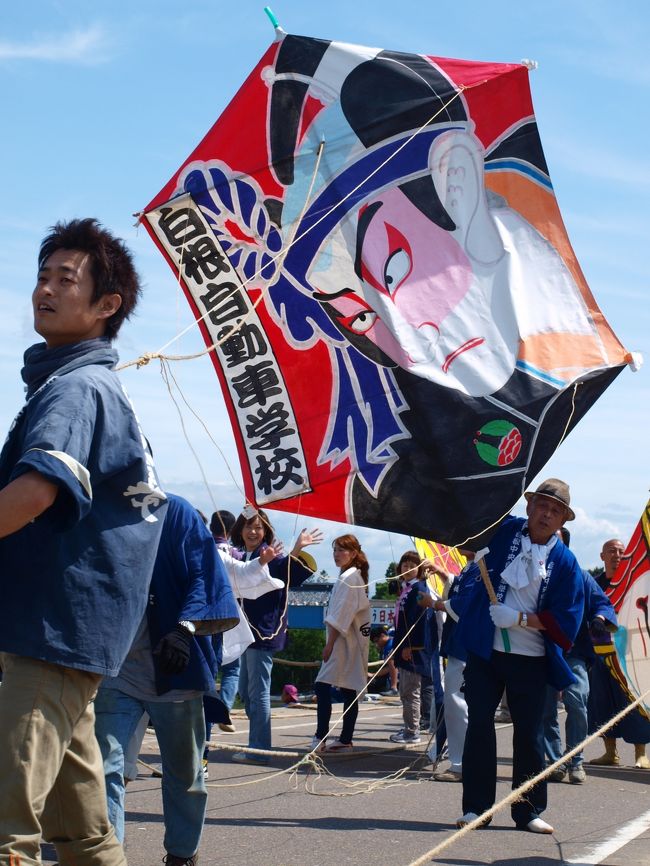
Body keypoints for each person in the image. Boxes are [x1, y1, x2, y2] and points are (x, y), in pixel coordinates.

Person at [0, 218, 167, 865]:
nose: (44, 290)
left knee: (7, 827)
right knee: (83, 834)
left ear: (106, 306)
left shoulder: (75, 389)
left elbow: (37, 492)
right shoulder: (95, 389)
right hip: (76, 641)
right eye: (41, 276)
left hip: (50, 634)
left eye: (64, 279)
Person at [94, 494, 240, 862]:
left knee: (185, 775)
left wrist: (185, 628)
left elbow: (205, 575)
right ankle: (107, 855)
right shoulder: (99, 508)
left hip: (175, 665)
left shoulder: (176, 512)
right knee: (103, 767)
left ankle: (182, 854)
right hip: (118, 669)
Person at [452, 479, 584, 834]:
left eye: (555, 511)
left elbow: (567, 621)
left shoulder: (566, 563)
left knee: (529, 733)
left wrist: (521, 619)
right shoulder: (504, 530)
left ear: (562, 522)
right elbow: (470, 529)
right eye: (542, 505)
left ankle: (528, 810)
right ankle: (476, 808)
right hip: (486, 648)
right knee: (479, 724)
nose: (546, 513)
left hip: (531, 656)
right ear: (529, 507)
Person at [231, 507, 323, 764]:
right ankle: (257, 744)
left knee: (257, 692)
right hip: (245, 631)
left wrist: (296, 549)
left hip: (262, 630)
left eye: (258, 527)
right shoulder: (244, 554)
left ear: (266, 531)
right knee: (247, 692)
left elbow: (284, 570)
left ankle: (259, 749)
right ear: (240, 529)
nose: (253, 531)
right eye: (248, 526)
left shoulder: (265, 554)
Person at [542, 528, 617, 784]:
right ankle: (554, 762)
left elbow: (603, 603)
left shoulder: (581, 576)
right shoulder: (533, 573)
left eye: (556, 539)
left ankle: (575, 759)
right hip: (540, 650)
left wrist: (599, 618)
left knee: (577, 702)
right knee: (545, 710)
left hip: (574, 652)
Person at [587, 538, 650, 769]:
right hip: (600, 654)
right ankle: (610, 751)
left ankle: (641, 754)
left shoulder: (637, 585)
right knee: (601, 703)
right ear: (602, 556)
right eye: (611, 551)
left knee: (635, 706)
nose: (617, 555)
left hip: (631, 655)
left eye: (621, 551)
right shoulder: (594, 585)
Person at [418, 552, 475, 781]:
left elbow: (465, 603)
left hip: (465, 644)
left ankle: (461, 764)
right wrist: (442, 573)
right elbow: (459, 587)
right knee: (455, 704)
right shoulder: (472, 566)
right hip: (460, 643)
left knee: (458, 704)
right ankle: (459, 760)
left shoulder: (482, 565)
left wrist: (433, 603)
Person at [312, 534, 371, 752]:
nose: (337, 554)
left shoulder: (350, 577)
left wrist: (330, 644)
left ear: (353, 554)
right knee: (348, 688)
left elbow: (341, 614)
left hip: (343, 640)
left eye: (341, 550)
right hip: (349, 639)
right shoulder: (352, 576)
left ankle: (321, 736)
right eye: (335, 550)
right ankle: (345, 738)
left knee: (323, 684)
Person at [389, 551, 433, 745]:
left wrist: (410, 647)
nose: (407, 569)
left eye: (411, 565)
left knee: (410, 691)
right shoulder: (406, 588)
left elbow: (420, 621)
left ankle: (412, 731)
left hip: (413, 649)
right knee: (406, 690)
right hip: (404, 646)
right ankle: (409, 726)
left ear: (419, 568)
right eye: (404, 565)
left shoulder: (419, 589)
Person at [369, 625, 398, 695]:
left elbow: (391, 666)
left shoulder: (390, 645)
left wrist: (372, 675)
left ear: (382, 635)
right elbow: (389, 668)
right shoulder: (387, 645)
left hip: (399, 680)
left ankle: (394, 688)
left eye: (377, 641)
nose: (376, 644)